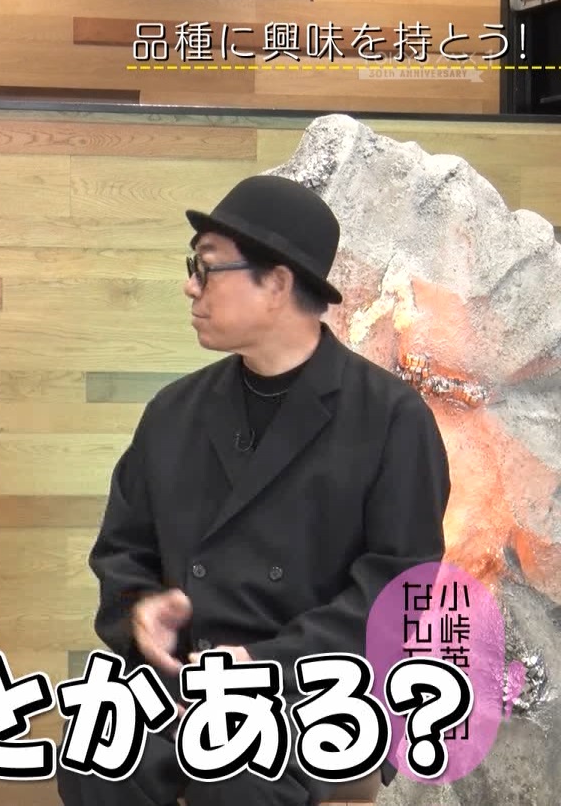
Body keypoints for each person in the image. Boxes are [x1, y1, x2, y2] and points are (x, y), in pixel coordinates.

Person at [56, 175, 450, 806]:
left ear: (278, 282)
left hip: (319, 692)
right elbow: (122, 551)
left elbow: (400, 594)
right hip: (182, 682)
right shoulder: (175, 412)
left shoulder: (390, 419)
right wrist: (140, 610)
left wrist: (269, 665)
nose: (191, 286)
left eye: (207, 267)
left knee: (234, 778)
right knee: (96, 761)